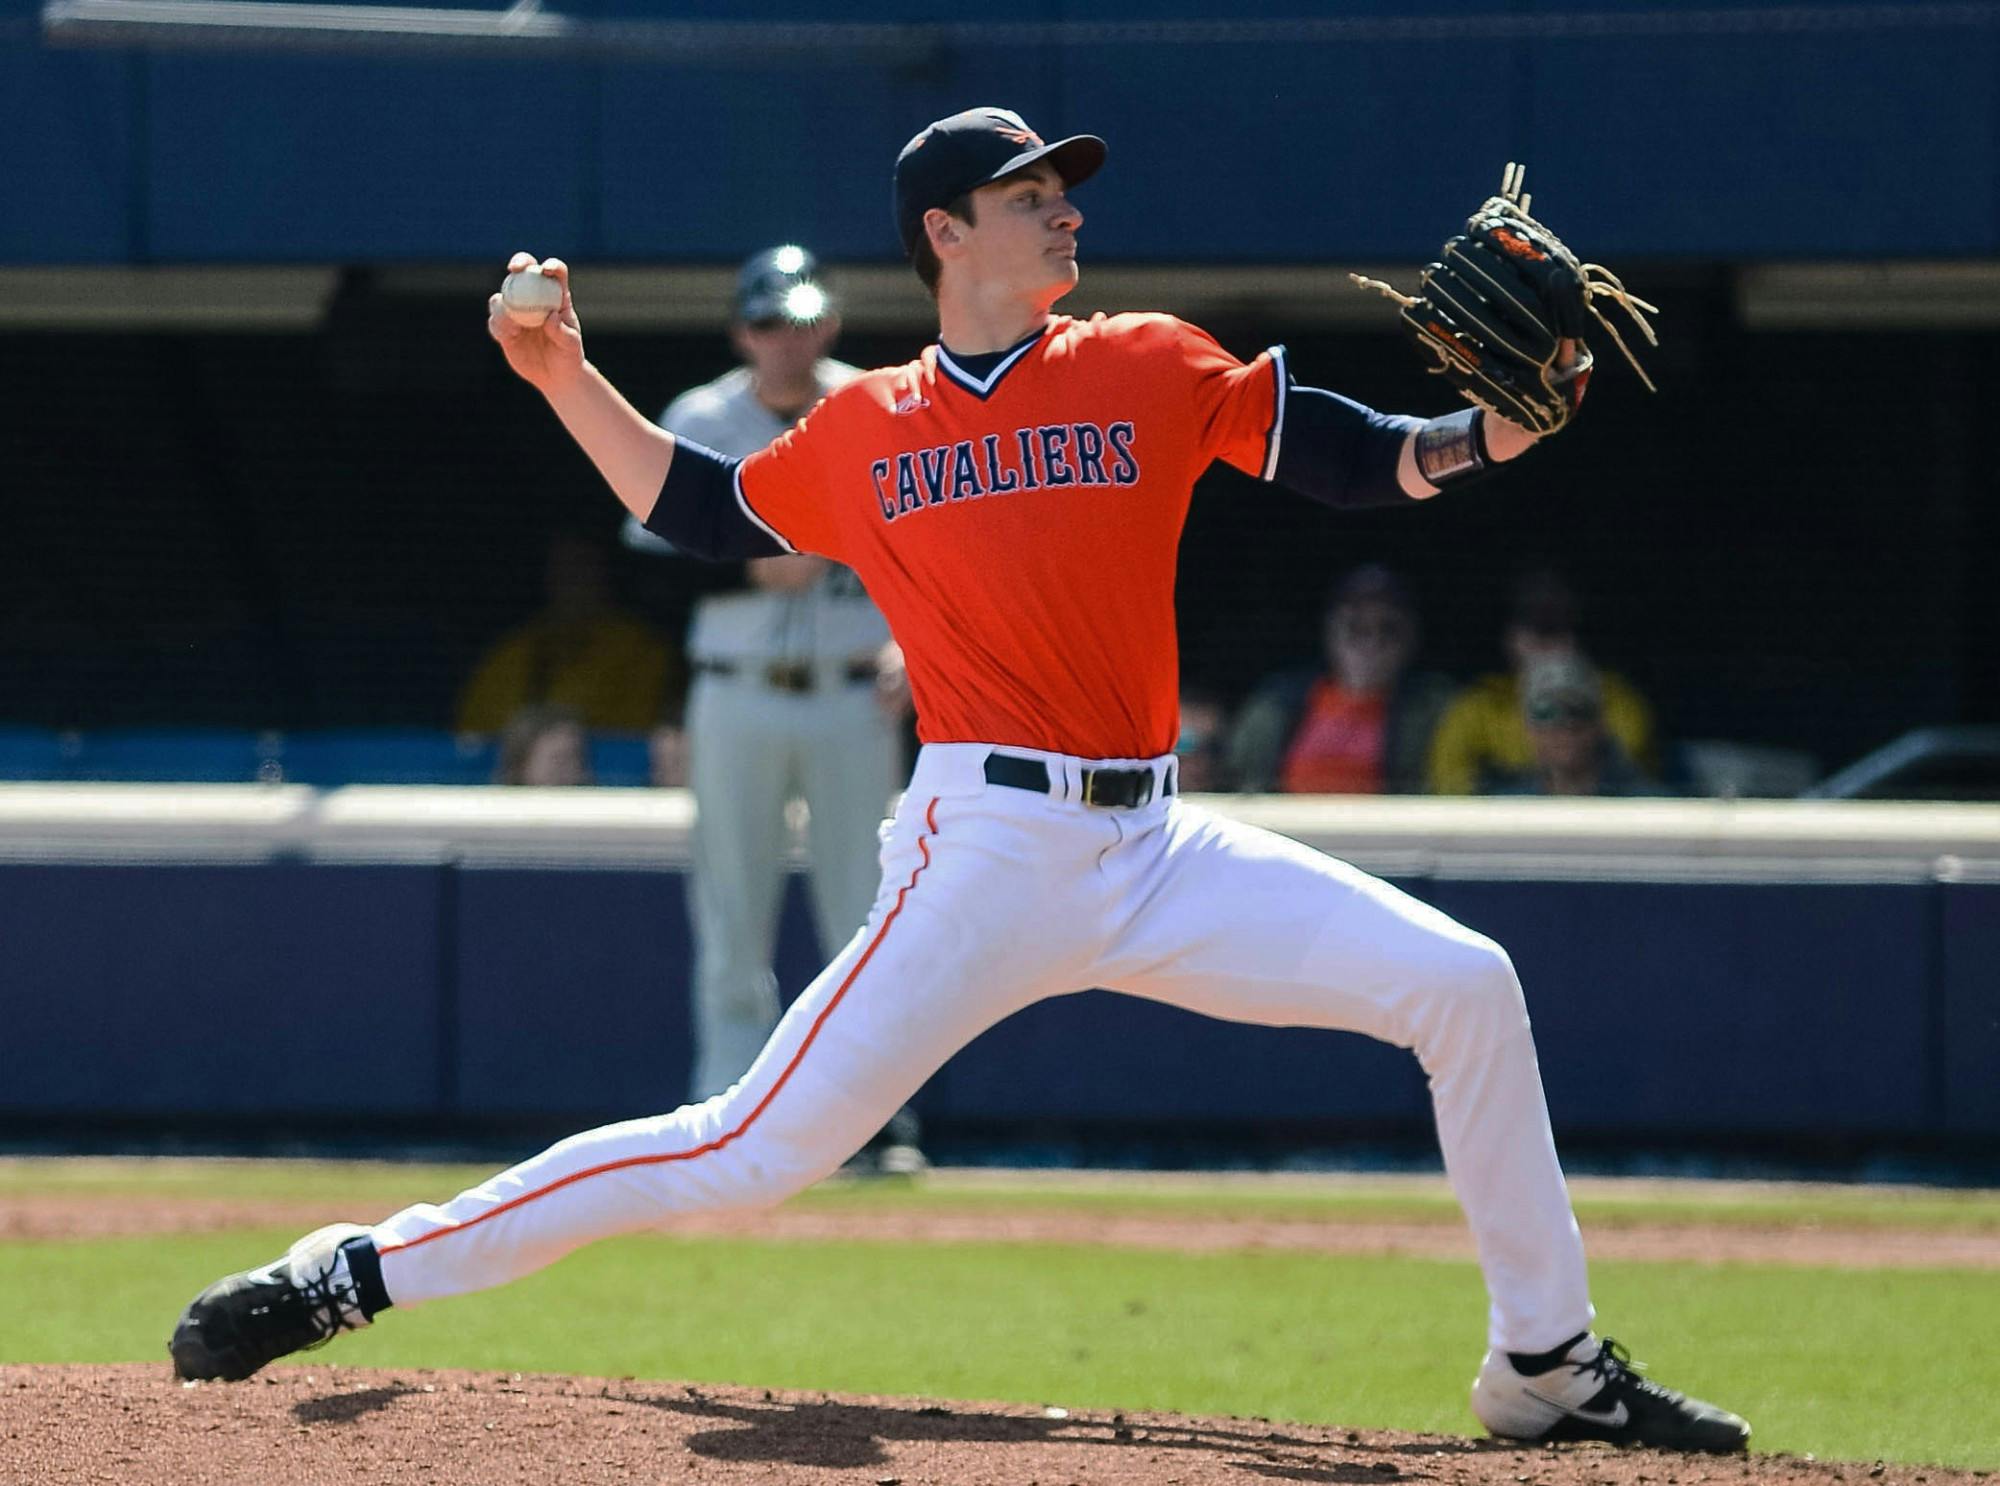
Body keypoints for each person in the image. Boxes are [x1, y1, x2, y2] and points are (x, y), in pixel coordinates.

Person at [169, 105, 1748, 1455]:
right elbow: (705, 510)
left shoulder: (1146, 360)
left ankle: (1546, 1364)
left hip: (1157, 845)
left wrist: (1484, 436)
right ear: (946, 230)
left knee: (1465, 983)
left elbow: (1349, 454)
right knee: (747, 1149)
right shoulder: (867, 424)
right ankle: (356, 1270)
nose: (1069, 210)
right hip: (983, 849)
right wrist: (564, 376)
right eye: (1032, 192)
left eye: (1067, 189)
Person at [619, 249, 919, 1166]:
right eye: (768, 324)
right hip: (736, 686)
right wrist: (744, 573)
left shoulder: (882, 404)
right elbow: (642, 577)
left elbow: (938, 548)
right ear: (740, 333)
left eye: (801, 321)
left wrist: (918, 646)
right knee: (731, 910)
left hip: (851, 690)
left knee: (868, 913)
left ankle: (872, 1119)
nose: (787, 340)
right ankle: (725, 1116)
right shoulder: (703, 419)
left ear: (830, 323)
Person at [1426, 567, 1656, 796]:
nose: (1563, 724)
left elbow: (1630, 758)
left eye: (1555, 625)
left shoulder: (1614, 695)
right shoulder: (1478, 703)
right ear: (1510, 634)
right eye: (1535, 624)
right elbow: (1451, 788)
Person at [1228, 564, 1454, 794]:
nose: (1371, 643)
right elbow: (1239, 780)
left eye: (1388, 629)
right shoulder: (1277, 703)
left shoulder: (1436, 709)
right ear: (1331, 631)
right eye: (1356, 628)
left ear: (1411, 636)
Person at [456, 530, 674, 735]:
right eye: (561, 567)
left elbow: (635, 734)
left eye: (582, 566)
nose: (571, 579)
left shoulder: (641, 649)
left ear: (605, 574)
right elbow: (471, 737)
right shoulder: (513, 651)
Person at [1488, 656, 1658, 797]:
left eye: (1576, 710)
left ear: (1600, 724)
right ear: (1528, 728)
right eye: (1545, 712)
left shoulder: (1649, 806)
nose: (1563, 725)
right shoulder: (1505, 807)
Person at [492, 704, 594, 787]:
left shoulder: (592, 803)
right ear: (521, 763)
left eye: (575, 757)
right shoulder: (494, 804)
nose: (567, 771)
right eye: (557, 759)